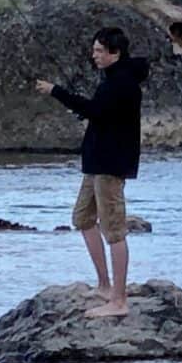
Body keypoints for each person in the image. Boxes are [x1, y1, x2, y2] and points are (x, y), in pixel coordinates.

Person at [35, 27, 149, 318]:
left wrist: (56, 91)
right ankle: (104, 285)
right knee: (83, 218)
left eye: (100, 51)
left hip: (110, 165)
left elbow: (96, 110)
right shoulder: (112, 80)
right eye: (95, 50)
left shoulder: (122, 83)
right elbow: (100, 112)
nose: (94, 55)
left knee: (114, 231)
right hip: (96, 161)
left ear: (115, 53)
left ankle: (119, 301)